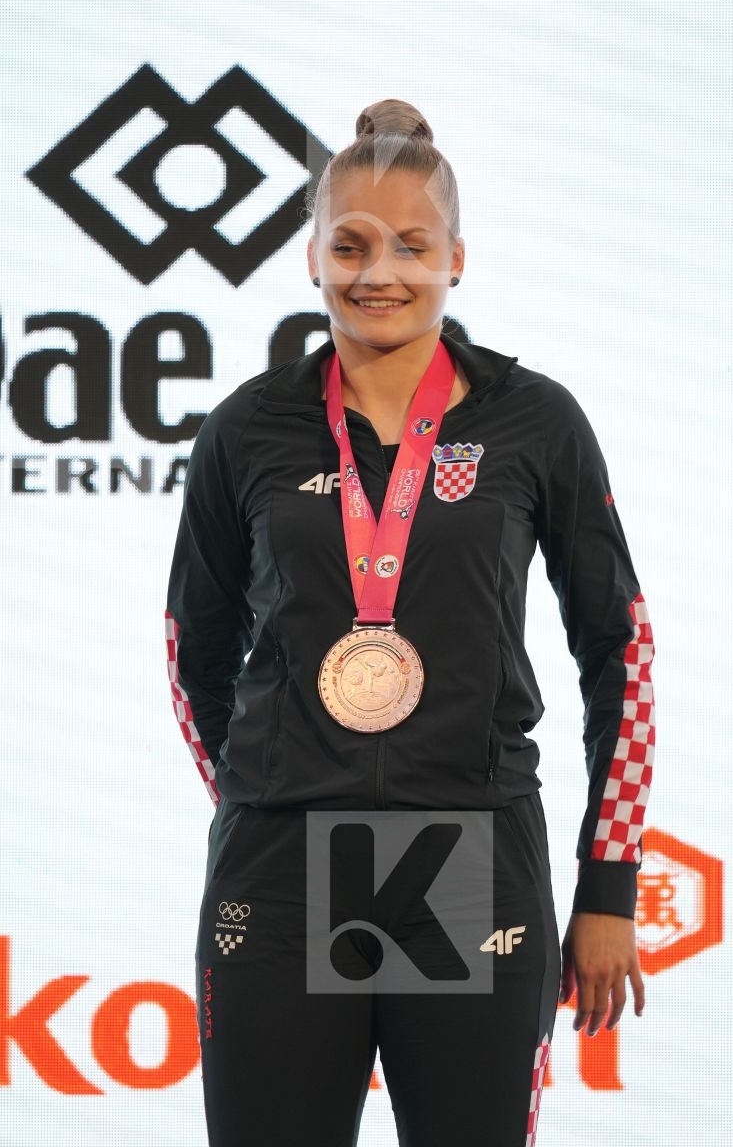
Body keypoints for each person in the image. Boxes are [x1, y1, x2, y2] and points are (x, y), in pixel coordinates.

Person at [165, 98, 655, 1147]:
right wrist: (268, 786)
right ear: (310, 259)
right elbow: (190, 650)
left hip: (467, 855)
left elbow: (621, 653)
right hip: (279, 865)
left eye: (409, 245)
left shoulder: (533, 421)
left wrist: (607, 885)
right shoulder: (247, 429)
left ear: (456, 258)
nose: (376, 271)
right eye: (348, 244)